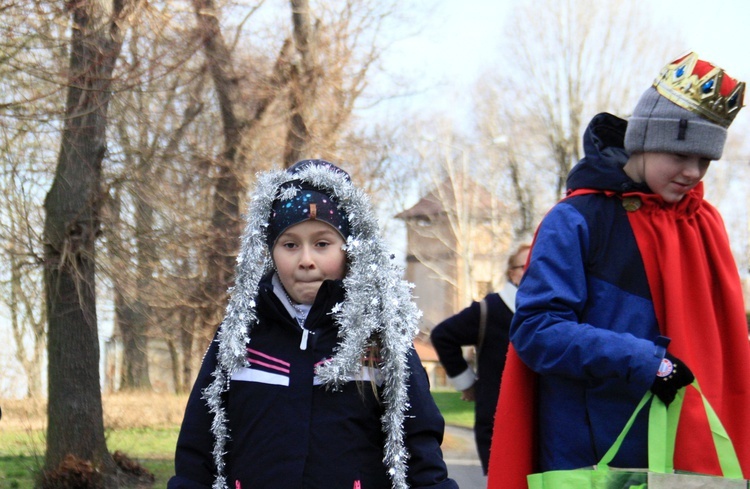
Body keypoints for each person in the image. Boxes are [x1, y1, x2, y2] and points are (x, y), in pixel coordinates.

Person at [487, 52, 750, 488]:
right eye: (682, 153)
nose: (693, 172)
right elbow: (536, 330)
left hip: (690, 458)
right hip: (596, 460)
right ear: (644, 137)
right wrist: (645, 361)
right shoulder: (576, 219)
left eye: (705, 160)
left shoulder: (703, 222)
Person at [169, 160, 458, 489]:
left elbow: (419, 445)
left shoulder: (379, 338)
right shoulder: (241, 333)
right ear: (270, 251)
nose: (306, 259)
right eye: (290, 244)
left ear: (350, 249)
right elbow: (198, 443)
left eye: (322, 244)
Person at [430, 243, 530, 474]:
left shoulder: (554, 309)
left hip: (546, 421)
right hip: (498, 421)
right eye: (524, 266)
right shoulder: (491, 309)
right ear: (511, 272)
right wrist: (468, 384)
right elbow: (442, 335)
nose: (531, 271)